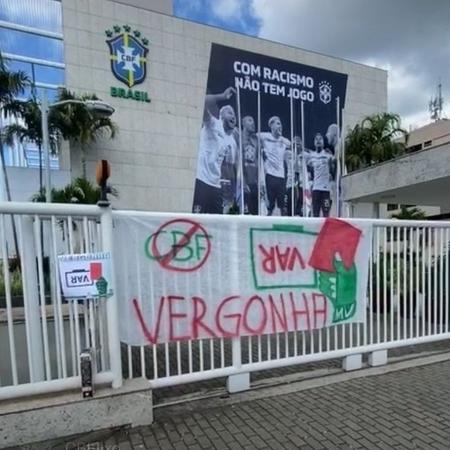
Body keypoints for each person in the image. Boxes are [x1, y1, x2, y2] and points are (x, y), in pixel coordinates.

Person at [192, 87, 238, 214]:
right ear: (221, 116)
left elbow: (229, 166)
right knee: (197, 220)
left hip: (216, 186)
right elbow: (203, 101)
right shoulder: (212, 123)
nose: (233, 116)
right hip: (202, 180)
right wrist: (222, 96)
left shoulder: (230, 139)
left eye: (234, 114)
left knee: (217, 223)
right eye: (230, 113)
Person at [259, 116, 290, 216]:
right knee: (270, 206)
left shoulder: (285, 141)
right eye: (277, 124)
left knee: (283, 207)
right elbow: (254, 137)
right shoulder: (264, 137)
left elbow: (293, 145)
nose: (280, 126)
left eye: (280, 124)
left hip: (281, 177)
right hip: (270, 176)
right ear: (271, 126)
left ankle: (285, 227)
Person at [307, 132, 336, 217]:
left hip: (326, 190)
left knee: (326, 214)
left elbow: (333, 169)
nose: (318, 141)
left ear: (323, 142)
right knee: (315, 214)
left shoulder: (328, 155)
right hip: (316, 189)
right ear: (314, 142)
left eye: (320, 139)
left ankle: (326, 230)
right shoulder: (311, 156)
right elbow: (308, 170)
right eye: (316, 139)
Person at [241, 116, 259, 215]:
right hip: (243, 181)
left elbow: (256, 160)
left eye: (254, 121)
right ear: (243, 123)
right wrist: (243, 182)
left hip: (254, 183)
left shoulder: (256, 140)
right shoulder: (237, 135)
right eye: (250, 120)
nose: (253, 123)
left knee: (255, 213)